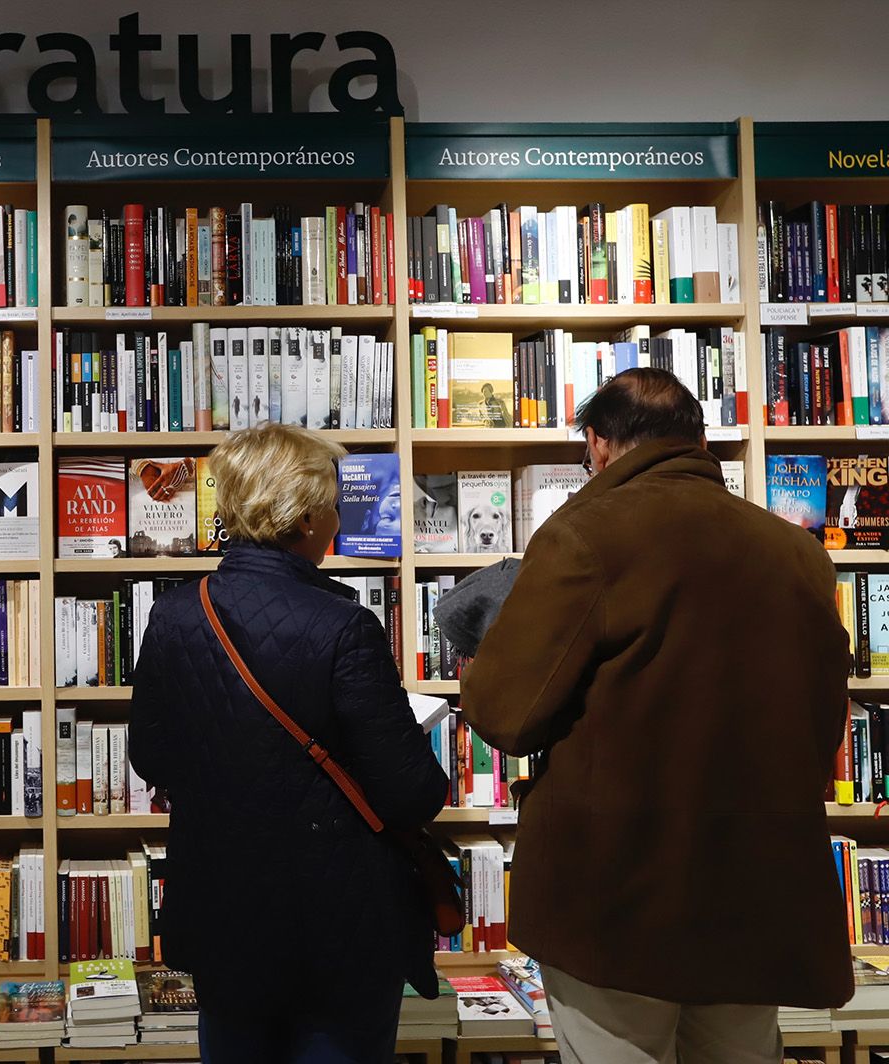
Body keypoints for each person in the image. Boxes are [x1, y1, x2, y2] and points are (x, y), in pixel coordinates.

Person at [459, 368, 852, 1064]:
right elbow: (826, 721)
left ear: (598, 446)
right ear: (699, 440)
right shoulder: (796, 552)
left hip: (616, 895)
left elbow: (505, 715)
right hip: (752, 886)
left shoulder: (584, 536)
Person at [129, 423, 447, 1064]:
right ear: (303, 517)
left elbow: (151, 758)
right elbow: (411, 792)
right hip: (336, 924)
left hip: (220, 913)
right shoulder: (345, 626)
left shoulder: (173, 613)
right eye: (331, 503)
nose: (337, 517)